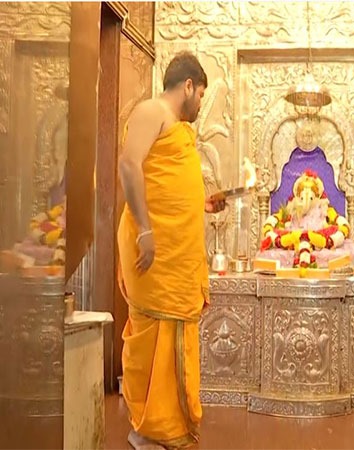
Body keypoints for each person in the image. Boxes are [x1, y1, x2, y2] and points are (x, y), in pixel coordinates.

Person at [117, 51, 226, 450]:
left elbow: (163, 187)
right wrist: (144, 231)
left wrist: (202, 203)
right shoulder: (152, 111)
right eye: (201, 96)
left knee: (172, 338)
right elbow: (129, 166)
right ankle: (148, 428)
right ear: (188, 86)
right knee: (152, 338)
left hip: (173, 259)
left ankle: (162, 431)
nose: (200, 104)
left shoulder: (176, 129)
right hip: (153, 254)